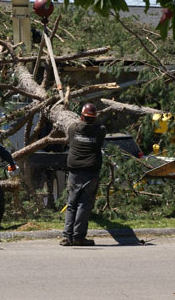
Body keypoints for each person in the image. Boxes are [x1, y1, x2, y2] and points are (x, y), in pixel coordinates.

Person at [60, 103, 106, 246]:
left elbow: (77, 124)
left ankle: (67, 237)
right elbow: (97, 125)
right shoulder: (100, 131)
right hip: (90, 172)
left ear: (81, 116)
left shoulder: (73, 129)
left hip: (75, 171)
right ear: (94, 117)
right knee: (83, 204)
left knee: (72, 203)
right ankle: (78, 237)